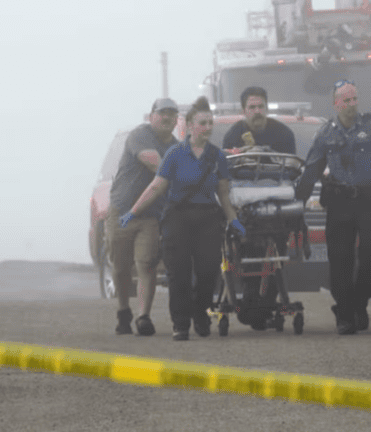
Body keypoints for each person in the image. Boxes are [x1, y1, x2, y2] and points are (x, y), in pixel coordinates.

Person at [121, 96, 246, 341]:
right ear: (190, 125)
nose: (208, 127)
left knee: (208, 271)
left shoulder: (217, 156)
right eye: (203, 123)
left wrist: (233, 220)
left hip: (207, 218)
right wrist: (133, 212)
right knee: (178, 273)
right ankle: (181, 323)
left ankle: (201, 316)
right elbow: (156, 187)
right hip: (178, 217)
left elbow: (222, 194)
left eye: (210, 123)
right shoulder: (174, 154)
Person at [295, 79, 371, 335]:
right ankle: (345, 314)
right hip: (340, 202)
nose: (352, 105)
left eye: (354, 99)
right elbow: (311, 170)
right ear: (335, 104)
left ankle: (359, 302)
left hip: (370, 201)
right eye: (346, 100)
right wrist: (297, 201)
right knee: (340, 261)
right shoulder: (326, 134)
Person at [106, 97, 179, 336]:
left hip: (150, 215)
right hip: (122, 210)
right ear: (151, 116)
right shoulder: (141, 135)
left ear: (177, 119)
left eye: (171, 114)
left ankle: (143, 317)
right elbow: (154, 163)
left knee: (146, 264)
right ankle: (123, 310)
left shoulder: (177, 147)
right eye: (162, 113)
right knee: (120, 267)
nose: (166, 117)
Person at [221, 86, 297, 154]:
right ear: (243, 111)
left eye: (260, 106)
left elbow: (292, 167)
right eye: (252, 107)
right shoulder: (232, 137)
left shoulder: (284, 135)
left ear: (267, 109)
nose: (257, 111)